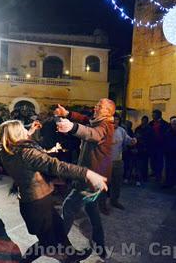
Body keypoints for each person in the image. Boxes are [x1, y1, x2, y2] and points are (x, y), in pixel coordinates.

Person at [0, 120, 107, 262]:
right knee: (47, 242)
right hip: (38, 204)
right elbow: (56, 166)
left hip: (33, 201)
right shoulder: (26, 152)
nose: (25, 130)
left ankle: (71, 255)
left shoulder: (7, 151)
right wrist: (87, 173)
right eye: (22, 129)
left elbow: (20, 145)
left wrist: (29, 132)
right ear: (17, 134)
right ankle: (25, 261)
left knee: (59, 231)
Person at [55, 98, 115, 259]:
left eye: (99, 106)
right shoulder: (97, 121)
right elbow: (85, 119)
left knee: (68, 206)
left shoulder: (105, 126)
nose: (95, 107)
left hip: (91, 180)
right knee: (92, 212)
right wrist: (67, 114)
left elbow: (92, 134)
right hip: (93, 179)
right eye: (96, 104)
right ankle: (100, 246)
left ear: (108, 112)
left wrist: (72, 127)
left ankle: (59, 246)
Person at [110, 114, 136, 209]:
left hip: (117, 161)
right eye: (113, 119)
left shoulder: (121, 130)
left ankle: (114, 201)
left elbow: (127, 140)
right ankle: (102, 203)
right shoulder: (104, 130)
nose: (115, 121)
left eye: (117, 119)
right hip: (105, 161)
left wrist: (133, 141)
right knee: (103, 184)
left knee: (116, 183)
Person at [149, 109, 169, 183]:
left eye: (154, 115)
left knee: (159, 161)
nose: (153, 116)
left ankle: (158, 175)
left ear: (159, 115)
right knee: (153, 160)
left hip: (160, 146)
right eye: (152, 115)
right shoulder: (151, 123)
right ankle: (154, 171)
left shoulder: (165, 124)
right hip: (152, 145)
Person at [133, 115, 153, 185]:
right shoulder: (138, 128)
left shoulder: (149, 129)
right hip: (139, 148)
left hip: (145, 149)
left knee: (144, 164)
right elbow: (135, 137)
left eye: (145, 121)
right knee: (138, 164)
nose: (143, 122)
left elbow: (150, 140)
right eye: (143, 120)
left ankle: (143, 177)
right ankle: (139, 177)